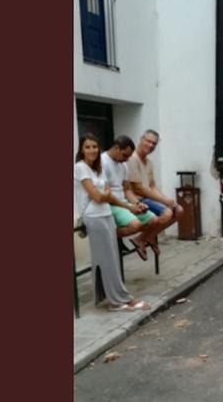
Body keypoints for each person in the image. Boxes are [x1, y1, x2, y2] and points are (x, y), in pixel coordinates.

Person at [74, 133, 150, 312]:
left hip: (106, 214)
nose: (92, 150)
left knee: (112, 259)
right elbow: (98, 196)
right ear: (81, 150)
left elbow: (106, 195)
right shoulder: (80, 167)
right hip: (93, 217)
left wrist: (112, 198)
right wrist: (105, 194)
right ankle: (117, 302)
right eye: (88, 147)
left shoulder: (96, 168)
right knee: (107, 260)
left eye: (95, 146)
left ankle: (119, 297)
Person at [101, 135, 160, 260]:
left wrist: (137, 203)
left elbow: (127, 189)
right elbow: (106, 195)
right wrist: (128, 206)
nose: (126, 159)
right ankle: (105, 235)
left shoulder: (123, 165)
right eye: (125, 155)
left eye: (129, 156)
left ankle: (117, 237)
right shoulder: (102, 162)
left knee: (153, 220)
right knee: (135, 225)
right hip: (110, 203)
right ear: (116, 148)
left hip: (123, 202)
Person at [126, 129, 183, 237]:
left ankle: (149, 236)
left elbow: (152, 187)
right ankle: (142, 238)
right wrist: (164, 200)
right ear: (141, 139)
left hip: (148, 198)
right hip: (138, 199)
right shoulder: (132, 158)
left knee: (179, 210)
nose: (151, 145)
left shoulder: (149, 162)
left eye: (154, 143)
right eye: (148, 141)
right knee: (167, 213)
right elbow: (138, 189)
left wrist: (167, 200)